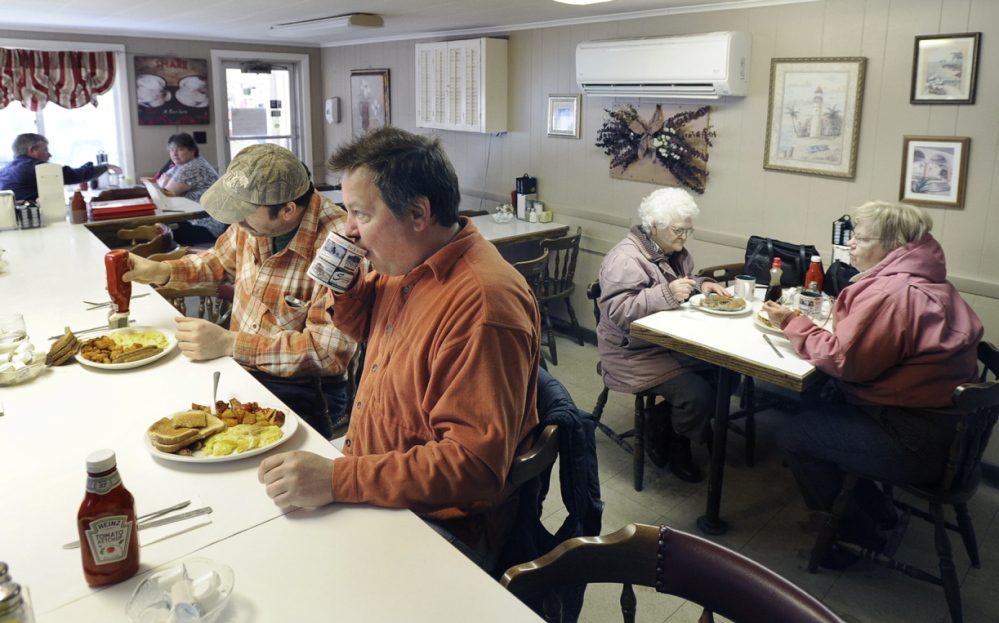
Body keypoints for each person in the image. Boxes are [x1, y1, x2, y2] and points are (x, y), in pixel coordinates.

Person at [257, 127, 541, 572]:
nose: (348, 230)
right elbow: (367, 327)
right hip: (373, 471)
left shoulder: (484, 303)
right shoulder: (404, 260)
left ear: (417, 213)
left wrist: (337, 479)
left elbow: (474, 466)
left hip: (436, 524)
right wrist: (349, 289)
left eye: (360, 214)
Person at [764, 201, 983, 568]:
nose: (851, 244)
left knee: (795, 435)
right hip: (946, 431)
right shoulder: (928, 279)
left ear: (894, 246)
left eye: (861, 238)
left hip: (915, 439)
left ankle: (853, 533)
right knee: (821, 404)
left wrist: (791, 321)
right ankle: (879, 510)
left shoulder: (891, 294)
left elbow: (843, 361)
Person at [123, 143, 356, 439]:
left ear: (287, 210)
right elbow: (217, 260)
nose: (236, 221)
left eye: (244, 213)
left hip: (304, 387)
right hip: (239, 366)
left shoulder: (340, 248)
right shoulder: (253, 223)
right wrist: (159, 271)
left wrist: (229, 344)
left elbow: (326, 354)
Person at [596, 187, 729, 483]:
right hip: (631, 351)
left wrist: (701, 284)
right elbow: (618, 311)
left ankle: (661, 422)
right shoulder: (625, 258)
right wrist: (665, 294)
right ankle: (676, 444)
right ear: (653, 226)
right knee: (696, 394)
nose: (684, 237)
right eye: (677, 230)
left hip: (665, 344)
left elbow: (682, 280)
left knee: (725, 376)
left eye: (687, 230)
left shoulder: (670, 250)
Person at [0, 133, 122, 202]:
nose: (49, 155)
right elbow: (78, 175)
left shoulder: (5, 169)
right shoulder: (36, 168)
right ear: (32, 150)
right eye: (45, 150)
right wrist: (106, 166)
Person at [153, 133, 224, 244]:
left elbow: (164, 195)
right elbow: (159, 187)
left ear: (192, 151)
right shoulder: (178, 166)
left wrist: (164, 182)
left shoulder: (193, 166)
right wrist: (164, 183)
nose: (174, 154)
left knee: (156, 231)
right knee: (157, 228)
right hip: (191, 219)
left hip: (204, 225)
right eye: (171, 150)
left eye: (180, 149)